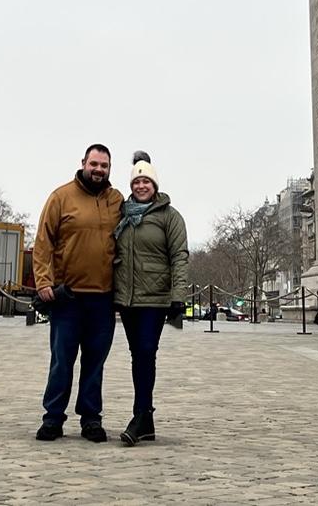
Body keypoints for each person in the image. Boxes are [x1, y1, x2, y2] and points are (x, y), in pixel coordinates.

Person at [32, 143, 122, 442]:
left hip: (103, 298)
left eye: (104, 166)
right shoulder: (61, 197)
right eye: (94, 164)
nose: (98, 170)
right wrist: (43, 281)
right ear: (84, 162)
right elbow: (43, 241)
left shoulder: (117, 200)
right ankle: (53, 418)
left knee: (95, 362)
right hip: (67, 297)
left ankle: (91, 419)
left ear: (109, 168)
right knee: (62, 360)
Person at [110, 152, 188, 447]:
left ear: (155, 185)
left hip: (155, 299)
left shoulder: (169, 216)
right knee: (138, 356)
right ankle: (147, 422)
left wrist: (178, 297)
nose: (141, 185)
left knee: (145, 352)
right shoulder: (122, 215)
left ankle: (140, 416)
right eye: (137, 181)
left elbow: (180, 257)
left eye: (147, 181)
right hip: (129, 299)